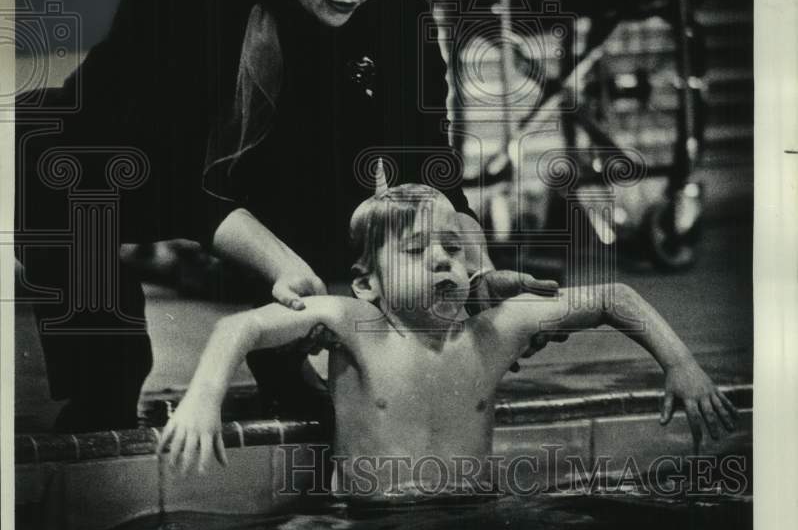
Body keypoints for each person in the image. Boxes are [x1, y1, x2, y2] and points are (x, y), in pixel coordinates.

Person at [17, 0, 551, 432]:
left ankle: (284, 362)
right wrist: (278, 262)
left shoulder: (395, 10)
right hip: (116, 161)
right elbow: (170, 165)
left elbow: (422, 157)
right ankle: (99, 388)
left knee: (362, 195)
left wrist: (473, 259)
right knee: (60, 174)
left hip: (266, 171)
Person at [160, 184, 736, 499]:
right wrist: (205, 395)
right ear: (368, 283)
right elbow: (239, 327)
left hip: (471, 518)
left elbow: (613, 298)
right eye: (416, 252)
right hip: (365, 526)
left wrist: (681, 365)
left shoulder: (495, 330)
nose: (442, 259)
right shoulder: (356, 326)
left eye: (454, 250)